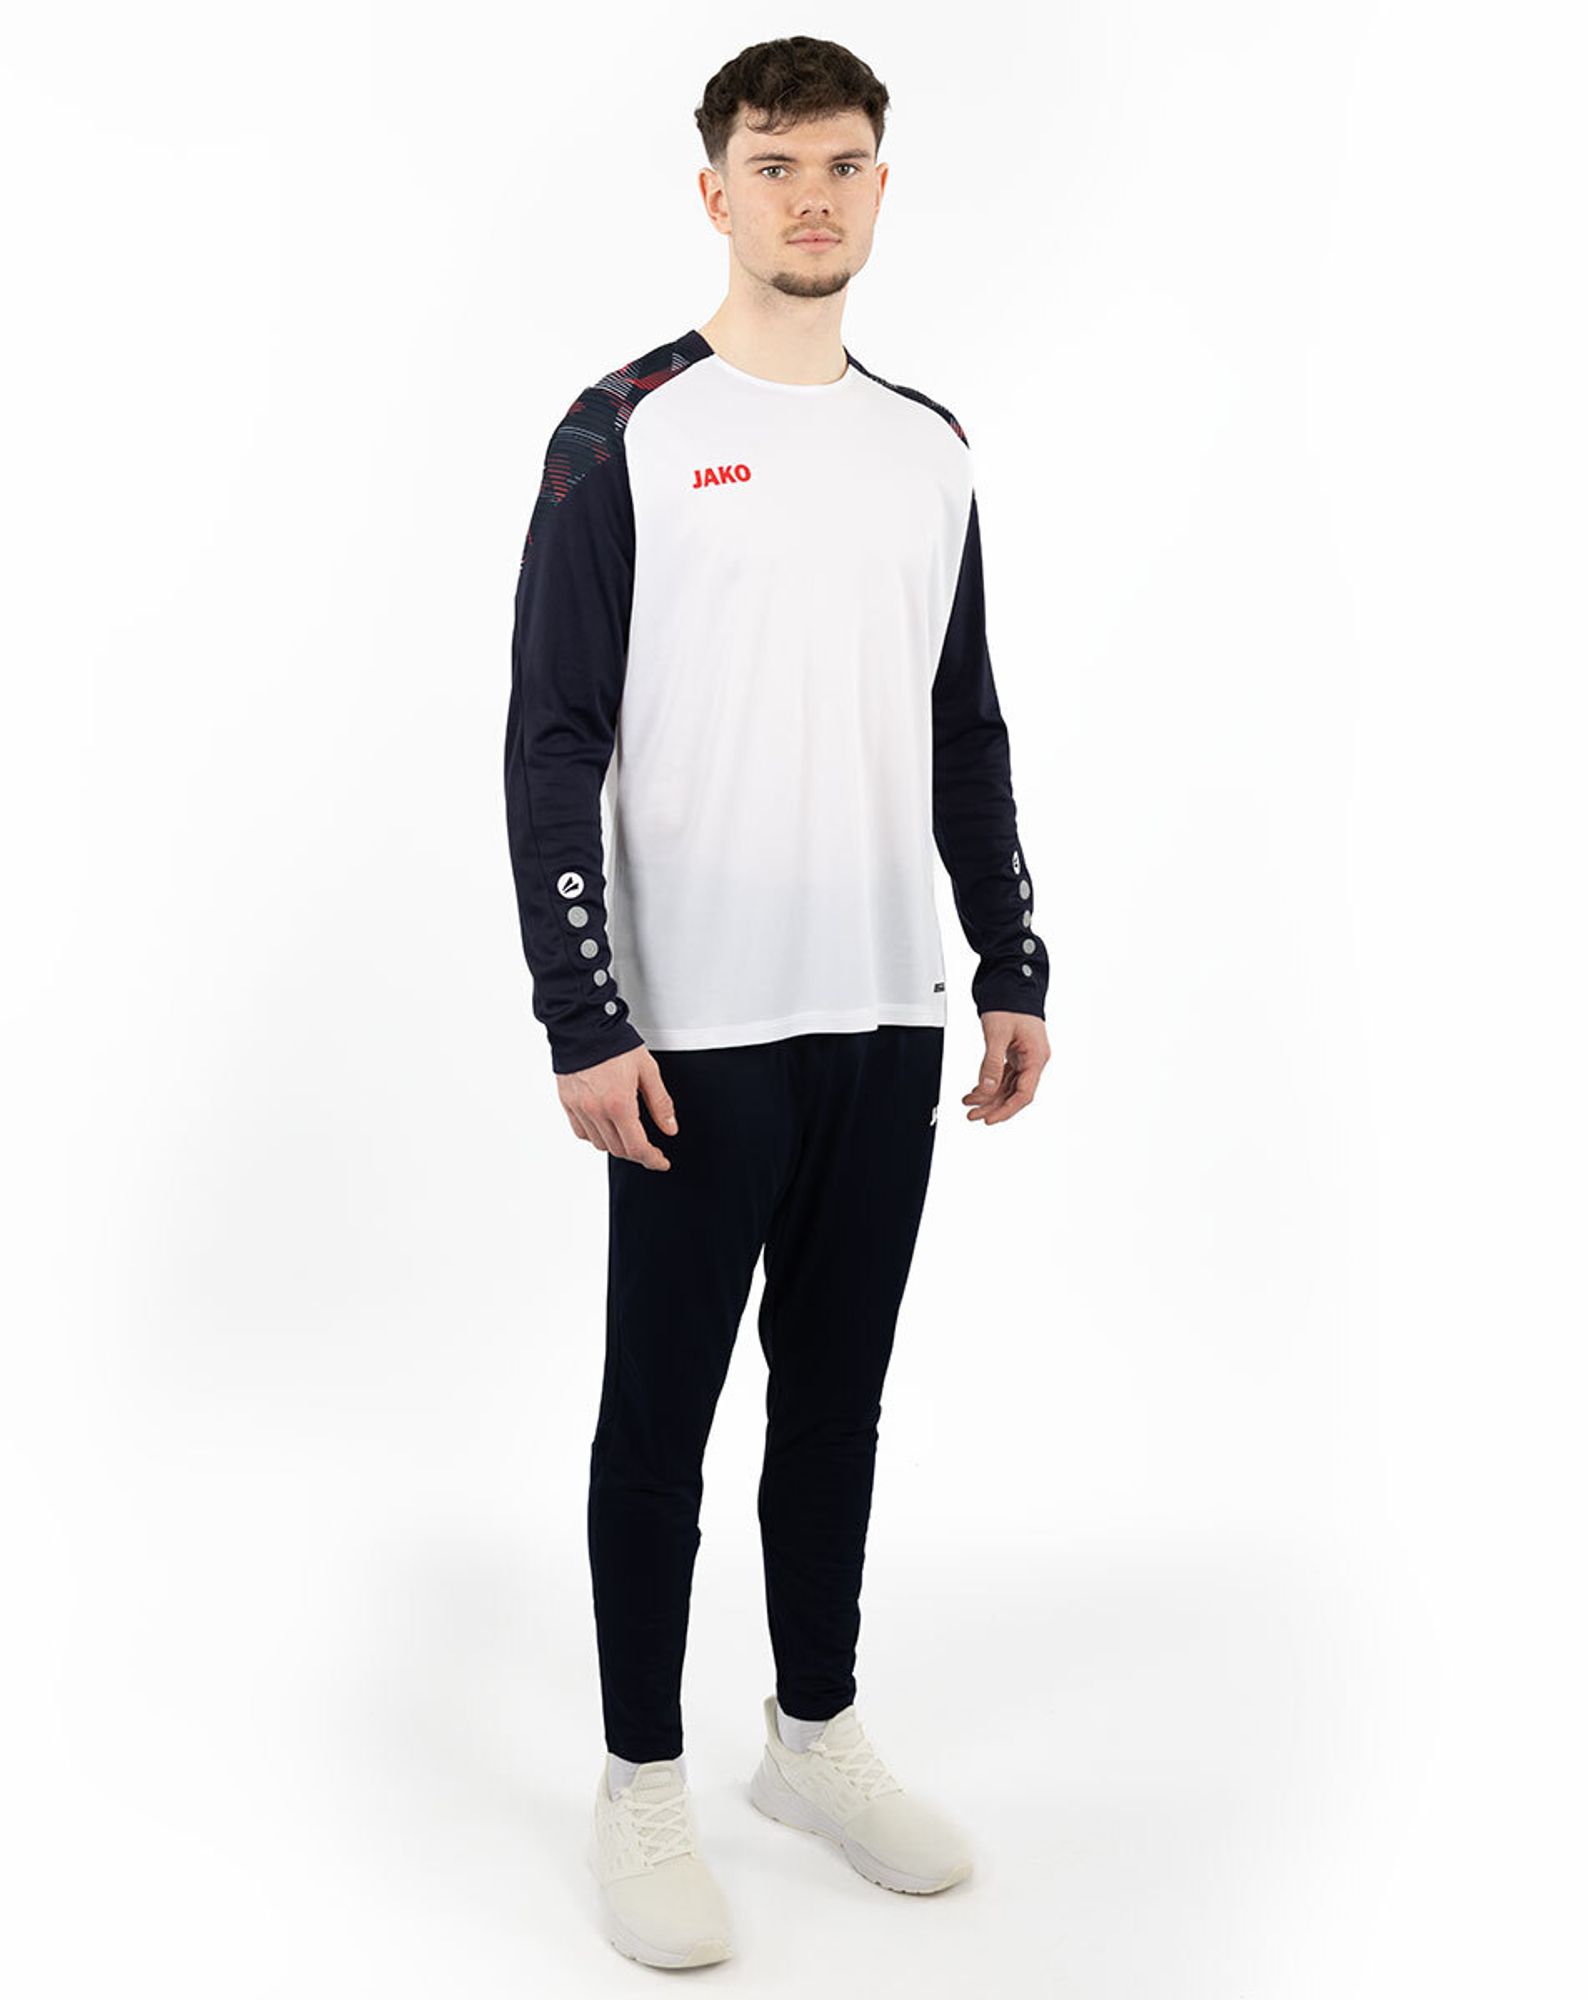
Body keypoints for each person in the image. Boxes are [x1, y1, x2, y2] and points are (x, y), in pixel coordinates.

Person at [503, 35, 1050, 1970]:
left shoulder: (929, 446)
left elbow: (962, 725)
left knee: (836, 1400)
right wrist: (583, 1013)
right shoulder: (626, 429)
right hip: (693, 1033)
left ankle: (811, 1734)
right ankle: (639, 1780)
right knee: (657, 1419)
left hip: (886, 1015)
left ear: (881, 187)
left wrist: (1009, 958)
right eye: (773, 162)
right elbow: (553, 737)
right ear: (713, 189)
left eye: (842, 164)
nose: (810, 196)